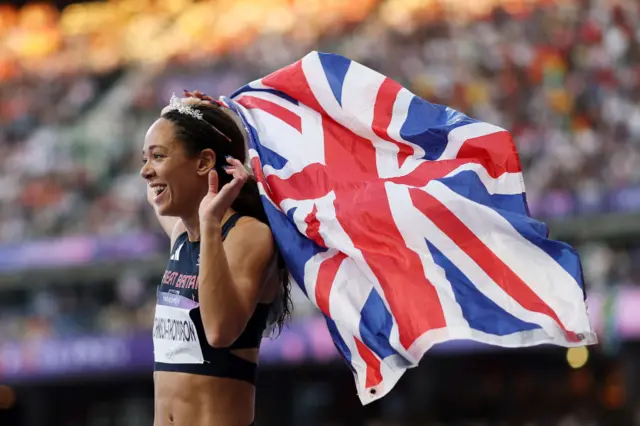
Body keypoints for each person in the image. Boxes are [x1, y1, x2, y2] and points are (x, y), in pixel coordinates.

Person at [141, 90, 291, 426]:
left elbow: (220, 331)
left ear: (205, 162)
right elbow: (154, 188)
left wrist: (210, 224)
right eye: (144, 159)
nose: (146, 172)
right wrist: (184, 111)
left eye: (158, 156)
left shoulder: (247, 233)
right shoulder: (182, 232)